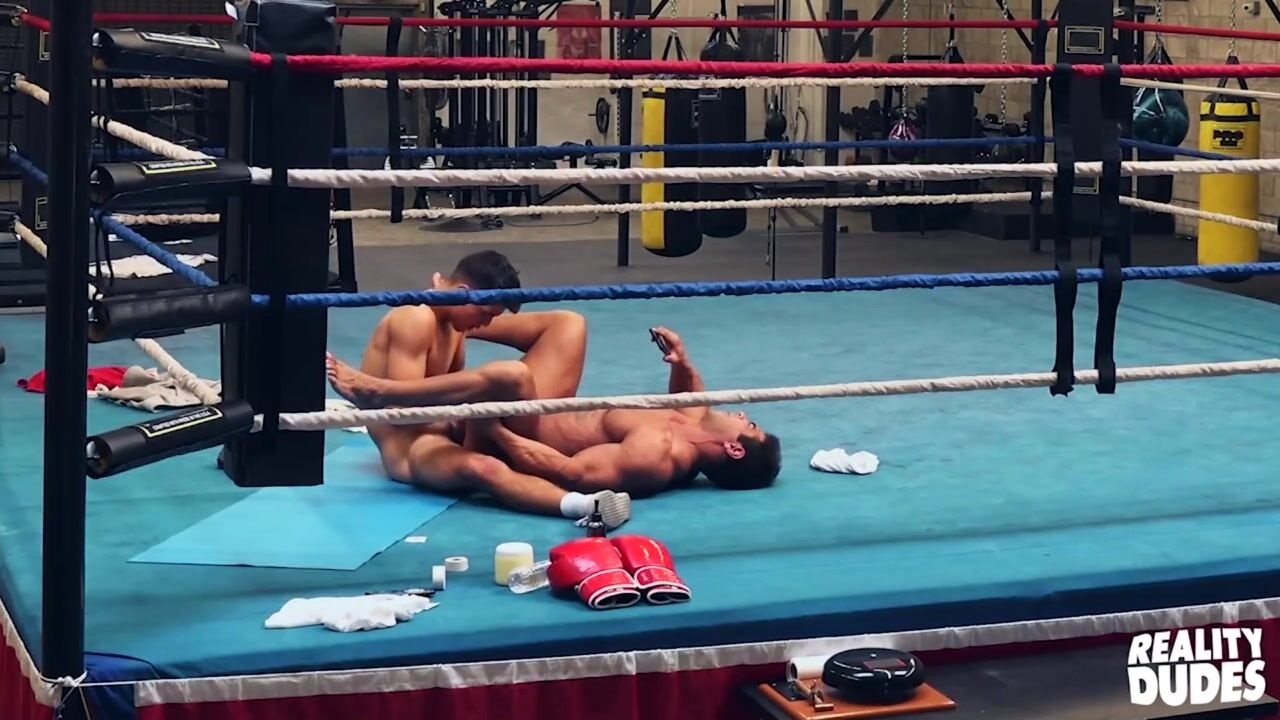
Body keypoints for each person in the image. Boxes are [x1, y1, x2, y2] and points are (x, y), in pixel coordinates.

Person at [325, 250, 632, 528]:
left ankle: (379, 390)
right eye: (485, 314)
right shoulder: (414, 317)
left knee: (568, 324)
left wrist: (477, 402)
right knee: (487, 462)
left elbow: (451, 388)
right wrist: (483, 397)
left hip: (455, 422)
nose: (485, 324)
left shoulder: (453, 323)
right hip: (416, 446)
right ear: (463, 293)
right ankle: (585, 506)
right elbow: (406, 418)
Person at [474, 325, 783, 498]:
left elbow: (571, 472)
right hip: (546, 404)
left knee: (511, 376)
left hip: (516, 427)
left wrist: (493, 429)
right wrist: (681, 362)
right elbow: (689, 395)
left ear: (734, 449)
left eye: (749, 425)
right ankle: (460, 316)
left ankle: (439, 376)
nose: (741, 415)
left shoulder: (653, 457)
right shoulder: (696, 421)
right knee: (568, 324)